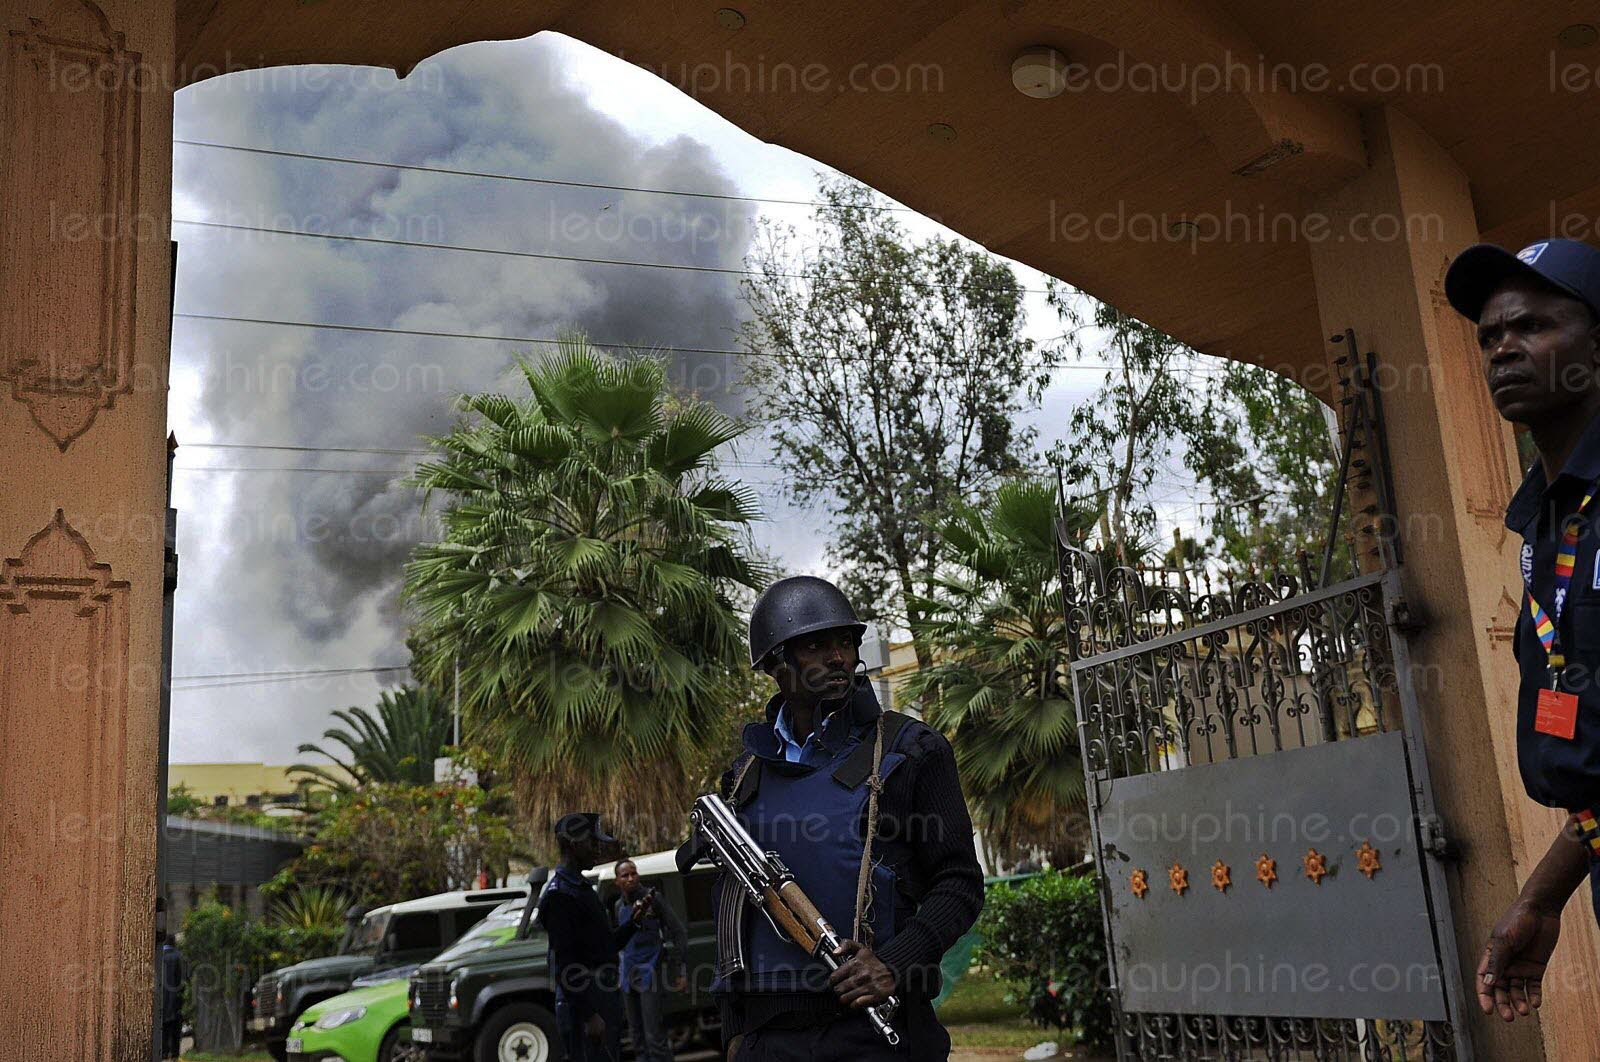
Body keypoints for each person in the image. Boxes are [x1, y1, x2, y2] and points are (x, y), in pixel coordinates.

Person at [697, 575, 984, 1060]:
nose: (838, 658)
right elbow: (733, 908)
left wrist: (894, 962)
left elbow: (960, 883)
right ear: (775, 664)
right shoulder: (746, 775)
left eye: (846, 642)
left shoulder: (911, 751)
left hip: (873, 1034)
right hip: (769, 1041)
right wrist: (735, 1036)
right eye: (815, 646)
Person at [1444, 237, 1600, 1023]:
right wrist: (1542, 898)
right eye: (1490, 336)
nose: (1503, 348)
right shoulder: (1544, 522)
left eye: (1533, 326)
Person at [535, 812, 651, 1061]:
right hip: (585, 1005)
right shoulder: (560, 895)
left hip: (601, 997)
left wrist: (633, 923)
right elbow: (565, 963)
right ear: (574, 845)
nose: (598, 848)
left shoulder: (581, 888)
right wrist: (589, 1015)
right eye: (593, 842)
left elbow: (604, 947)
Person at [614, 858, 688, 1062]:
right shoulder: (619, 906)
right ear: (617, 881)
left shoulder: (654, 899)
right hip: (628, 974)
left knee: (654, 1035)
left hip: (650, 971)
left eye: (634, 873)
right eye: (625, 875)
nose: (631, 878)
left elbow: (678, 932)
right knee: (636, 1037)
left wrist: (681, 970)